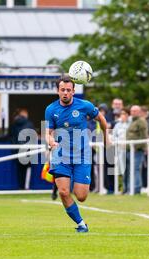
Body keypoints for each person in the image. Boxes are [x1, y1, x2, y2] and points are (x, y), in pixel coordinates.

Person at [45, 75, 108, 233]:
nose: (65, 93)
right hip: (61, 155)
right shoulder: (51, 109)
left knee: (81, 196)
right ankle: (81, 224)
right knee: (63, 191)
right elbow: (48, 132)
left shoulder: (84, 106)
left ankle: (78, 213)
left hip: (82, 155)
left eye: (68, 90)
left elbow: (101, 119)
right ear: (57, 91)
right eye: (62, 90)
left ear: (73, 91)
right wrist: (51, 140)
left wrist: (107, 136)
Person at [10, 108, 35, 190]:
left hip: (17, 150)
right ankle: (26, 187)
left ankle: (20, 187)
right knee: (27, 169)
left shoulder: (14, 124)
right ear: (25, 114)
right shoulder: (29, 124)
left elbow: (11, 137)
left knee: (19, 170)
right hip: (27, 150)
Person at [125, 105, 148, 194]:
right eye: (131, 111)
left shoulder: (141, 122)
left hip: (137, 150)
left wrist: (138, 147)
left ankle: (136, 189)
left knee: (135, 169)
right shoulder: (131, 121)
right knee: (129, 170)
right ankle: (129, 189)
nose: (132, 112)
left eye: (135, 111)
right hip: (129, 149)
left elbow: (143, 137)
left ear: (139, 112)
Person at [112, 108, 130, 191]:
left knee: (131, 169)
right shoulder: (117, 125)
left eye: (124, 114)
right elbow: (113, 137)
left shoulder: (131, 123)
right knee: (123, 170)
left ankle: (130, 187)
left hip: (130, 149)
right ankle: (124, 188)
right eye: (122, 114)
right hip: (120, 150)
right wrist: (119, 142)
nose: (123, 116)